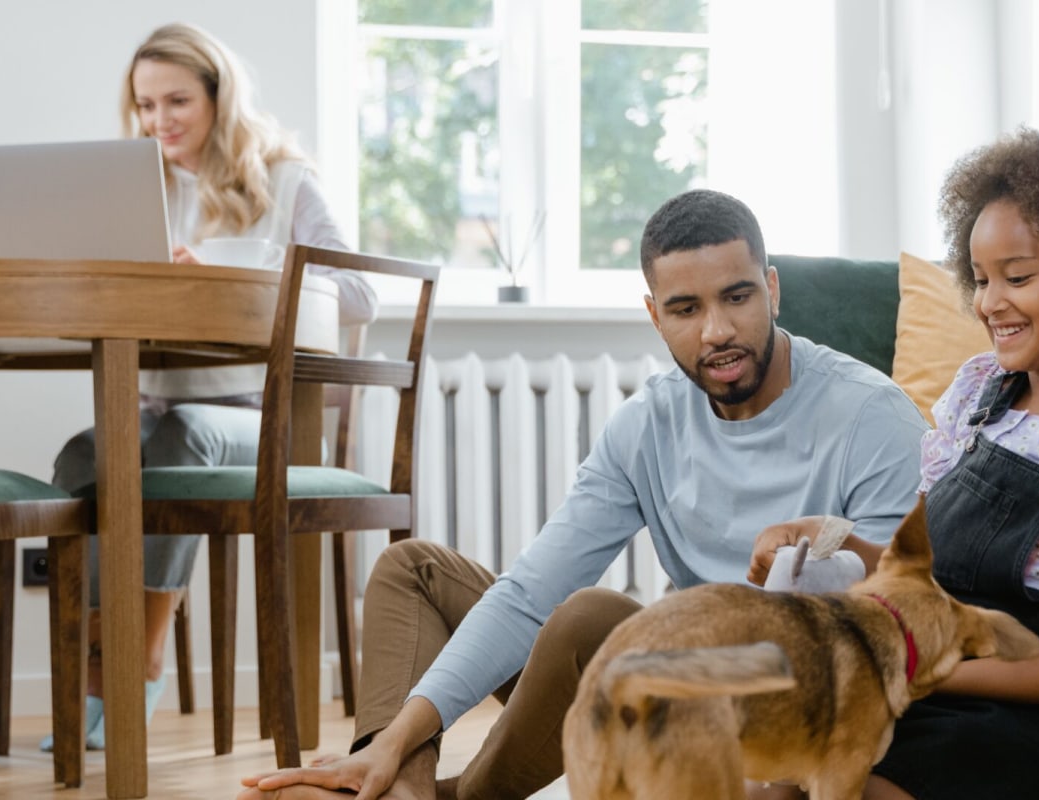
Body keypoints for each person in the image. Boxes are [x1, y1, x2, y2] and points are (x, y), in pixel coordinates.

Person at [235, 189, 930, 799]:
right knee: (411, 571)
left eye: (737, 297)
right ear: (655, 316)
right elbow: (528, 593)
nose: (716, 331)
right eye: (687, 308)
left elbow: (892, 623)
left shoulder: (870, 414)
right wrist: (394, 742)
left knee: (592, 618)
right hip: (664, 674)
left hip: (784, 690)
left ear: (773, 289)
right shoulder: (645, 425)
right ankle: (393, 780)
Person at [747, 122, 1039, 799]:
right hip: (929, 689)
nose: (989, 303)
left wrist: (938, 671)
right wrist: (832, 542)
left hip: (1033, 726)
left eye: (1017, 278)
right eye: (980, 279)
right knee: (772, 770)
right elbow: (929, 571)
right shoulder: (978, 392)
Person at [42, 22, 378, 751]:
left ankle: (139, 660)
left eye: (176, 102)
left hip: (254, 417)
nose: (158, 121)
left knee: (178, 439)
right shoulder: (131, 187)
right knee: (80, 457)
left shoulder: (284, 180)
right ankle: (99, 663)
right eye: (144, 105)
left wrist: (239, 277)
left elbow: (359, 294)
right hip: (153, 403)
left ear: (219, 99)